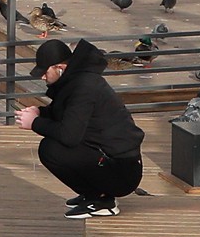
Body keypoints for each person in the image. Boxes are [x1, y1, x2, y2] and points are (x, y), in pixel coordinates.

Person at [15, 37, 145, 218]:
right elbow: (66, 115)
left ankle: (102, 201)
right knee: (51, 147)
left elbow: (69, 135)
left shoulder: (84, 87)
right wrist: (40, 112)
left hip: (122, 171)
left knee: (52, 149)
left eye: (45, 72)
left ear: (60, 68)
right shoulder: (77, 80)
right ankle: (93, 194)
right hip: (113, 160)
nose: (43, 77)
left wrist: (34, 123)